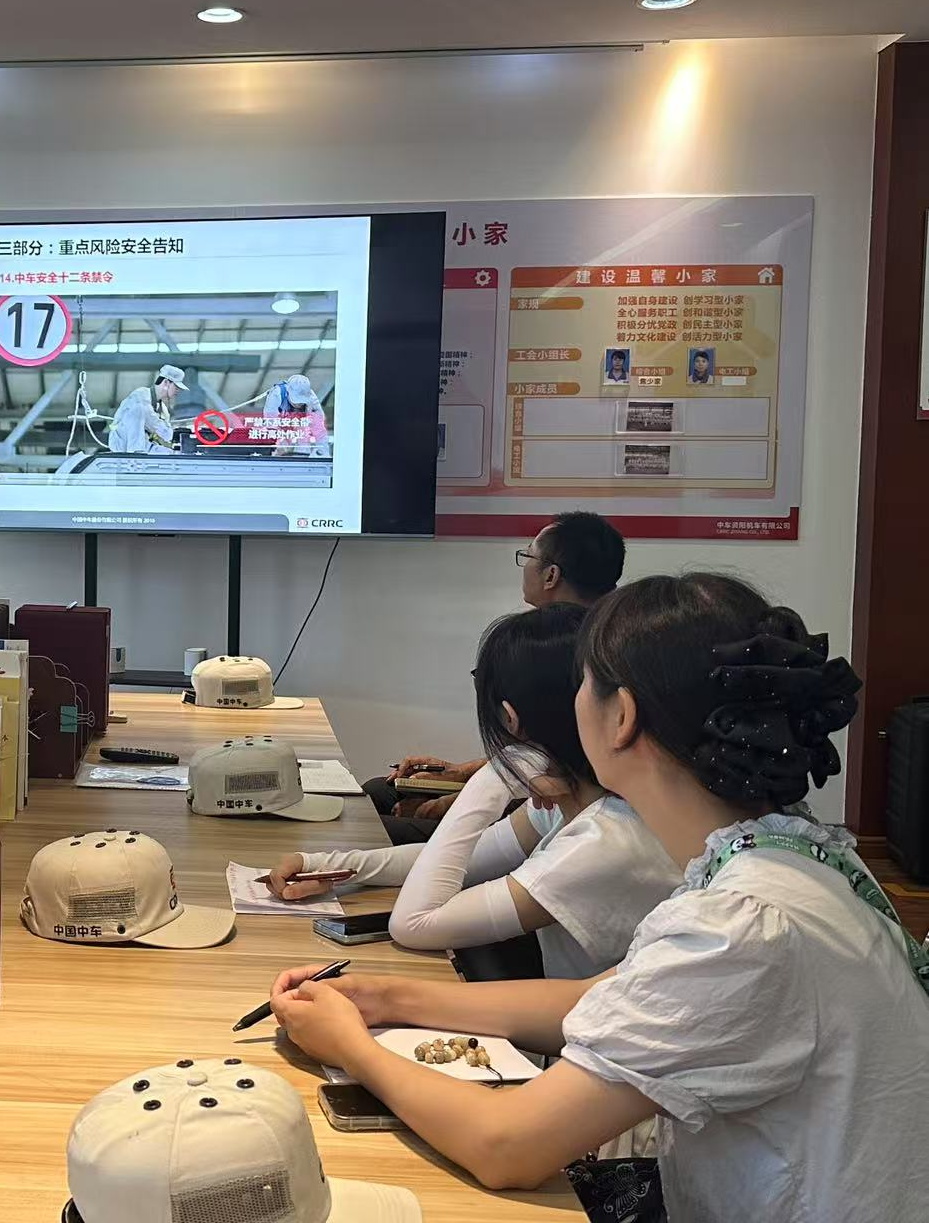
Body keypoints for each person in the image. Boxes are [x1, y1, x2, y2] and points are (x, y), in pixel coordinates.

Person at [267, 575, 929, 1221]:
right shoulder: (793, 851)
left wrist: (352, 1048)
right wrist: (390, 998)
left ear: (621, 717)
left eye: (582, 682)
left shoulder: (742, 925)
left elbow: (506, 1146)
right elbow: (600, 997)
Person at [269, 603, 679, 984]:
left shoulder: (602, 841)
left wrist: (496, 774)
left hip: (569, 1032)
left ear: (510, 718)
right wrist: (327, 866)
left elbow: (413, 923)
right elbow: (467, 859)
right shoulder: (580, 801)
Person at [373, 510, 626, 842]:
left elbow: (561, 772)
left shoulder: (577, 654)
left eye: (527, 556)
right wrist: (459, 773)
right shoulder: (595, 636)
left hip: (543, 810)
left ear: (551, 575)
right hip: (529, 799)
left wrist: (463, 799)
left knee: (371, 826)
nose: (524, 566)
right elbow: (539, 753)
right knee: (378, 792)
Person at [107, 364, 189, 454]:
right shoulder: (139, 397)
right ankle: (135, 453)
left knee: (172, 454)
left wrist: (176, 437)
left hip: (146, 446)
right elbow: (153, 422)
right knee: (138, 410)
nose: (178, 391)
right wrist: (171, 434)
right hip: (123, 445)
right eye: (176, 387)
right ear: (166, 382)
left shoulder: (163, 409)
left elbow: (165, 435)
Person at [261, 372, 330, 457]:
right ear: (288, 392)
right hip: (280, 423)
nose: (299, 405)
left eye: (302, 402)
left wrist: (323, 451)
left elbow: (319, 428)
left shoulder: (312, 399)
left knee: (304, 440)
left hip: (301, 423)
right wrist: (277, 443)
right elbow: (270, 424)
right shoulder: (276, 394)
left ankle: (302, 456)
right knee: (280, 448)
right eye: (297, 401)